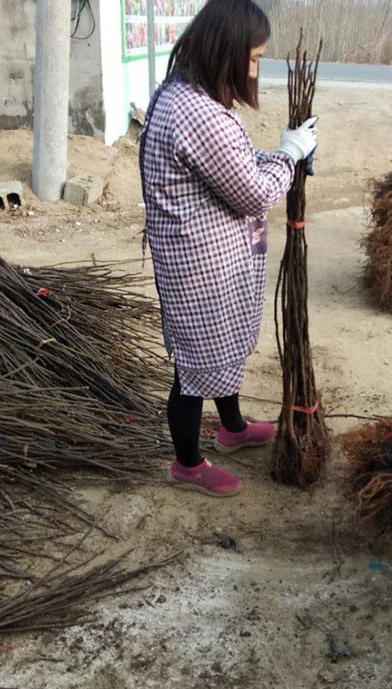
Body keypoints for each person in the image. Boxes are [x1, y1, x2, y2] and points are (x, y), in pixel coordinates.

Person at [139, 0, 318, 497]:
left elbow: (230, 164)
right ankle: (188, 463)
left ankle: (232, 428)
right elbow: (254, 191)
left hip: (209, 257)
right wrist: (288, 155)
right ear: (226, 49)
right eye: (253, 56)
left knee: (220, 346)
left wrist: (281, 153)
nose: (255, 68)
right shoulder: (195, 111)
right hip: (199, 264)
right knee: (195, 364)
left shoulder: (187, 94)